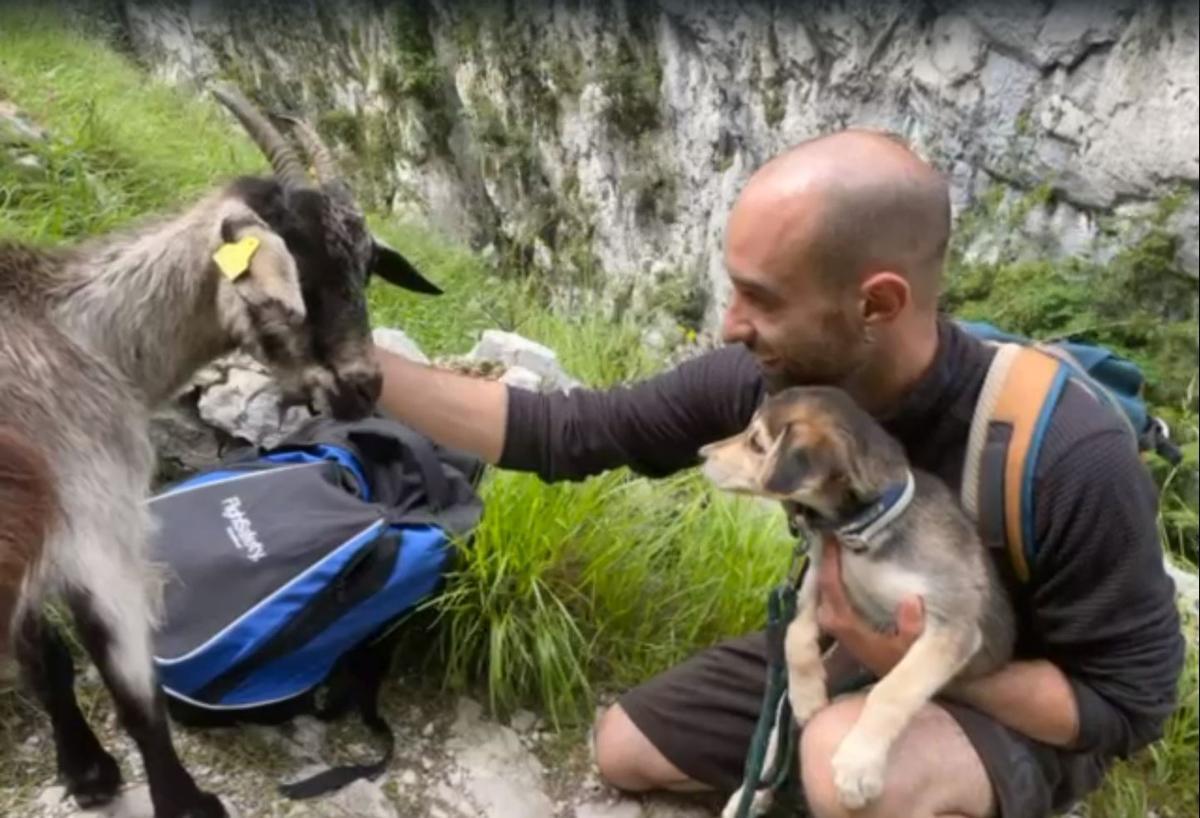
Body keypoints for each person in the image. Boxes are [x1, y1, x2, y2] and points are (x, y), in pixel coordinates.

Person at [373, 129, 1185, 818]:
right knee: (625, 750)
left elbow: (1128, 705)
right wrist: (353, 366)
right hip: (853, 643)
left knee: (841, 756)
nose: (732, 325)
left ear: (877, 304)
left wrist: (910, 667)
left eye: (759, 298)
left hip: (1012, 695)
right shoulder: (777, 387)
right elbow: (574, 431)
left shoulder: (1065, 453)